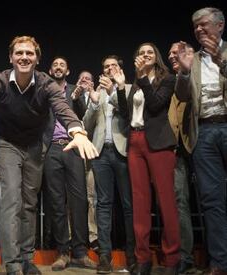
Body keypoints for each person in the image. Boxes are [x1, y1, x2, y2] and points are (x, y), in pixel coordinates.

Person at [0, 35, 98, 275]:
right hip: (7, 144)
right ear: (11, 57)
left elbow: (62, 107)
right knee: (12, 198)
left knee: (29, 203)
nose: (24, 57)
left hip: (34, 146)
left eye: (30, 53)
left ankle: (26, 259)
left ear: (37, 59)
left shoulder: (45, 83)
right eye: (19, 53)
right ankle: (12, 263)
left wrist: (77, 131)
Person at [116, 42, 180, 275]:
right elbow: (126, 114)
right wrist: (121, 88)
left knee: (166, 202)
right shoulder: (136, 83)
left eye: (149, 52)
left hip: (159, 143)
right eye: (141, 52)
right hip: (135, 142)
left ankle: (172, 259)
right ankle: (142, 259)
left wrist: (142, 78)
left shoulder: (168, 79)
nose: (145, 55)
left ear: (156, 57)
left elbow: (155, 105)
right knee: (140, 203)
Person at [175, 7, 227, 274]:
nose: (198, 30)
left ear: (220, 26)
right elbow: (183, 96)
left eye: (204, 24)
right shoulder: (192, 59)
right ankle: (220, 262)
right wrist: (184, 72)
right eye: (195, 26)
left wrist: (222, 61)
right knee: (211, 200)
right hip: (204, 133)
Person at [83, 55, 135, 274]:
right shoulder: (97, 93)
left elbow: (130, 115)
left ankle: (133, 256)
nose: (109, 69)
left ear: (120, 69)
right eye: (106, 67)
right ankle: (105, 256)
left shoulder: (129, 89)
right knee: (102, 204)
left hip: (123, 152)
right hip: (101, 153)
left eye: (113, 65)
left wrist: (114, 91)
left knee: (128, 205)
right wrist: (94, 103)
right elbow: (86, 124)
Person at [43, 56, 95, 271]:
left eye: (62, 65)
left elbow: (82, 115)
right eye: (55, 65)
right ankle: (63, 252)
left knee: (79, 199)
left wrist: (77, 98)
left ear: (68, 70)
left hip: (74, 146)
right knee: (56, 201)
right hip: (52, 148)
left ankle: (80, 252)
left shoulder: (74, 89)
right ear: (50, 70)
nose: (58, 67)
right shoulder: (44, 90)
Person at [167, 42, 197, 274]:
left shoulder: (195, 76)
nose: (172, 56)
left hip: (197, 144)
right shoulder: (168, 81)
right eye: (169, 54)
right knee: (177, 204)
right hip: (173, 151)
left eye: (176, 52)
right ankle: (181, 257)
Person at [76, 70, 99, 252]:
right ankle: (73, 237)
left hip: (92, 152)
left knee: (92, 197)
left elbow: (91, 123)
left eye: (88, 78)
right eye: (82, 78)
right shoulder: (71, 96)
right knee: (74, 198)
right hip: (74, 152)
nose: (85, 80)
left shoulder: (98, 96)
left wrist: (93, 97)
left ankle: (93, 236)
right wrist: (75, 97)